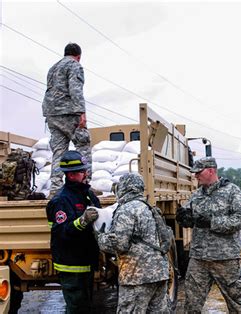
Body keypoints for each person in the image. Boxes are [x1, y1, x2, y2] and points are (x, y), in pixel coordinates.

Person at [176, 156, 241, 313]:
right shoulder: (196, 195)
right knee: (191, 304)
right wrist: (184, 218)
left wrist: (212, 222)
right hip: (199, 258)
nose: (195, 176)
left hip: (225, 258)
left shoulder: (232, 191)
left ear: (211, 171)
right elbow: (189, 217)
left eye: (198, 172)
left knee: (236, 303)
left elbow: (240, 219)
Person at [97, 173, 170, 313]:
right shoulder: (148, 207)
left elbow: (120, 244)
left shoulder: (126, 209)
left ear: (124, 187)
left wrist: (100, 238)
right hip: (159, 273)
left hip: (137, 276)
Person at [45, 150, 100, 313]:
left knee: (86, 307)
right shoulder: (61, 200)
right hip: (71, 264)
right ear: (71, 175)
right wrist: (82, 221)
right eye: (83, 171)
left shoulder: (88, 194)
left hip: (86, 261)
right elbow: (62, 232)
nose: (86, 174)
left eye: (85, 170)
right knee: (76, 308)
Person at [42, 42, 91, 197]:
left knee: (58, 151)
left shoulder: (53, 68)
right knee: (83, 144)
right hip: (68, 112)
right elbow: (75, 90)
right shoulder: (74, 65)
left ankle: (55, 189)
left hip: (51, 114)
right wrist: (81, 113)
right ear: (78, 56)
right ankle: (85, 184)